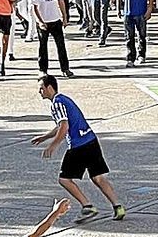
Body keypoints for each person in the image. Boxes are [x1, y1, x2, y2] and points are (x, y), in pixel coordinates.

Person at [32, 75, 125, 220]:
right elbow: (61, 126)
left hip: (78, 145)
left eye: (41, 88)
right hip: (91, 140)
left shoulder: (56, 103)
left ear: (49, 87)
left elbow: (64, 126)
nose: (40, 92)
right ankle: (118, 207)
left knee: (64, 179)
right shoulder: (65, 99)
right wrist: (44, 137)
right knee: (98, 178)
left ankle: (87, 206)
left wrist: (52, 146)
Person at [31, 0, 72, 77]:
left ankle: (65, 68)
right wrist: (40, 22)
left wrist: (64, 17)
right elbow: (34, 8)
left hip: (55, 20)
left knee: (61, 45)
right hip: (43, 22)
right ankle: (43, 69)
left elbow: (61, 1)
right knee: (43, 47)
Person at [118, 0, 154, 67]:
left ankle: (141, 54)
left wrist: (150, 8)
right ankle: (130, 57)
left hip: (140, 12)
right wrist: (118, 9)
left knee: (142, 35)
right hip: (128, 13)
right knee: (129, 36)